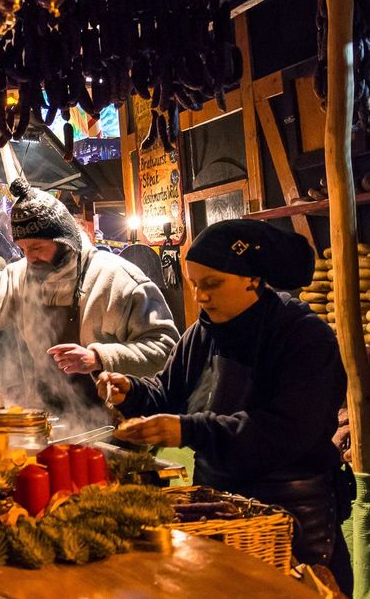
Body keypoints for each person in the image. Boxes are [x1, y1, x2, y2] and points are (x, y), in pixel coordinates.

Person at [99, 220, 350, 588]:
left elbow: (287, 431)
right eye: (194, 284)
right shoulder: (201, 333)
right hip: (216, 510)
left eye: (212, 284)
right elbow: (166, 393)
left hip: (293, 517)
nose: (200, 297)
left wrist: (188, 429)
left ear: (253, 279)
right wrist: (132, 392)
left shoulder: (304, 335)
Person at [0, 177, 178, 412]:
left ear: (65, 241)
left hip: (116, 418)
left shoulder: (117, 279)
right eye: (24, 249)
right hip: (52, 416)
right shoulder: (21, 276)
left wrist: (99, 357)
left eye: (37, 248)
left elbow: (166, 348)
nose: (30, 258)